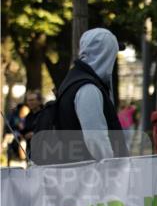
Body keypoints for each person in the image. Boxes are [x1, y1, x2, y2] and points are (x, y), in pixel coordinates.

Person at [41, 28, 129, 164]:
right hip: (93, 176)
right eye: (112, 54)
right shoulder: (87, 88)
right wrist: (113, 166)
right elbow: (95, 138)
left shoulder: (74, 80)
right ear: (105, 55)